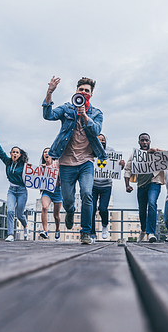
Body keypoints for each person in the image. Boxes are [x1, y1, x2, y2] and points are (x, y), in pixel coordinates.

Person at [42, 76, 107, 245]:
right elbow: (48, 115)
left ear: (91, 94)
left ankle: (86, 233)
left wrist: (84, 115)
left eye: (87, 91)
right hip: (66, 163)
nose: (83, 92)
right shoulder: (66, 108)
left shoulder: (97, 113)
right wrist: (49, 93)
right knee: (68, 200)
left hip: (86, 162)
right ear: (76, 91)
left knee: (87, 193)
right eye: (81, 90)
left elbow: (96, 130)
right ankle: (70, 211)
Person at [124, 133, 165, 243]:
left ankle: (151, 233)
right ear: (139, 142)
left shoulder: (156, 151)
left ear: (150, 141)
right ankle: (143, 230)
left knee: (152, 203)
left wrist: (158, 152)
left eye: (146, 140)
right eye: (142, 140)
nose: (145, 142)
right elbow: (127, 169)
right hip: (141, 185)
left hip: (154, 182)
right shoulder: (135, 154)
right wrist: (127, 185)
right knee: (142, 210)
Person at [0, 130, 29, 242]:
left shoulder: (24, 165)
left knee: (20, 214)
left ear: (20, 155)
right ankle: (11, 235)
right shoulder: (7, 162)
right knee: (10, 211)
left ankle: (25, 226)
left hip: (22, 191)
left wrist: (31, 167)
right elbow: (1, 153)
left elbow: (34, 174)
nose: (15, 154)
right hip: (11, 191)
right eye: (13, 152)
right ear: (11, 154)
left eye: (17, 152)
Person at [91, 134, 125, 243]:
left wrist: (121, 165)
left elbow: (116, 167)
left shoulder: (111, 151)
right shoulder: (90, 149)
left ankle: (105, 225)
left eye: (103, 140)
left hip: (106, 185)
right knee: (91, 209)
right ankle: (92, 233)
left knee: (103, 208)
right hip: (93, 184)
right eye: (99, 140)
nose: (102, 142)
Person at [38, 147, 63, 242]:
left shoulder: (57, 164)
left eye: (48, 152)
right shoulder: (41, 167)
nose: (46, 153)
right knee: (44, 207)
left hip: (57, 190)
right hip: (47, 191)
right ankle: (45, 231)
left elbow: (63, 177)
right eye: (44, 152)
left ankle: (57, 229)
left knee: (56, 216)